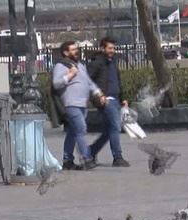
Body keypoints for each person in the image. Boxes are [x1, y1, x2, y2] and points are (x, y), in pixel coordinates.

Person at [52, 40, 104, 170]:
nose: (76, 51)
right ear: (66, 52)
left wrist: (98, 93)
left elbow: (88, 82)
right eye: (73, 50)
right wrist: (70, 75)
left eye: (77, 49)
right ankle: (86, 158)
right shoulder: (61, 66)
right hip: (71, 103)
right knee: (81, 129)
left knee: (73, 132)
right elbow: (56, 83)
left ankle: (67, 160)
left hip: (82, 104)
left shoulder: (80, 65)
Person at [88, 37, 130, 167]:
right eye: (110, 48)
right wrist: (98, 96)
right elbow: (87, 81)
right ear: (102, 48)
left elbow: (117, 81)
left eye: (113, 48)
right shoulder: (96, 63)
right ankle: (117, 157)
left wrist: (122, 98)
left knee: (109, 130)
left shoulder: (112, 62)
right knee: (116, 127)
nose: (112, 50)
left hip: (115, 99)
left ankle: (91, 151)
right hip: (106, 100)